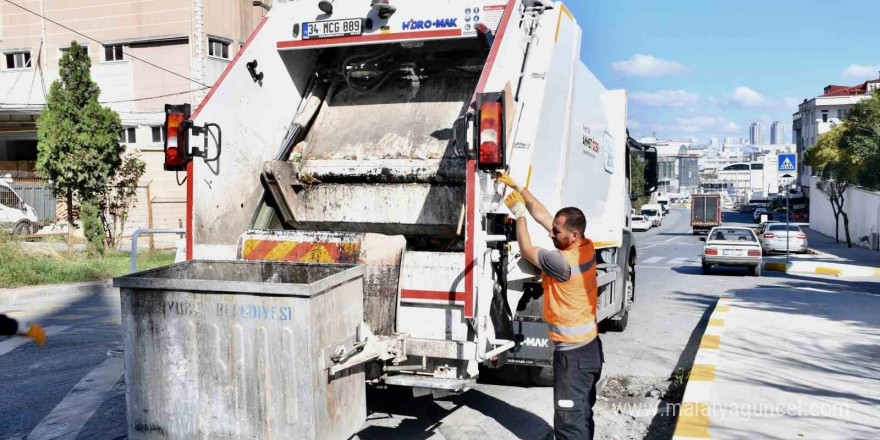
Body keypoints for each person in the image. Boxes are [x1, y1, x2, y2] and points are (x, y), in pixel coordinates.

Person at [495, 172, 603, 440]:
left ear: (573, 234)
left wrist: (518, 215)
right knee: (581, 412)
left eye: (556, 232)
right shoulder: (586, 247)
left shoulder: (562, 263)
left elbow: (527, 248)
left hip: (573, 356)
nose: (550, 233)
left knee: (569, 420)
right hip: (588, 350)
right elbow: (544, 216)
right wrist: (520, 188)